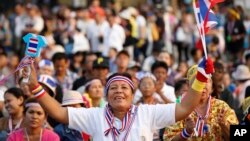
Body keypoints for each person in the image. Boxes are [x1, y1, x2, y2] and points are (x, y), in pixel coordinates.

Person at [21, 57, 214, 140]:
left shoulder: (147, 112)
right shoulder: (94, 116)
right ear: (106, 96)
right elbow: (60, 113)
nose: (119, 91)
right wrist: (35, 87)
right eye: (113, 88)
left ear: (132, 94)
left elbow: (184, 108)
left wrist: (200, 79)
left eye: (124, 87)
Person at [164, 65, 239, 141]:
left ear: (212, 85)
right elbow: (168, 139)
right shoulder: (178, 109)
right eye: (198, 81)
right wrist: (186, 132)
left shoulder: (222, 107)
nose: (202, 85)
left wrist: (224, 126)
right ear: (188, 84)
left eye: (206, 81)